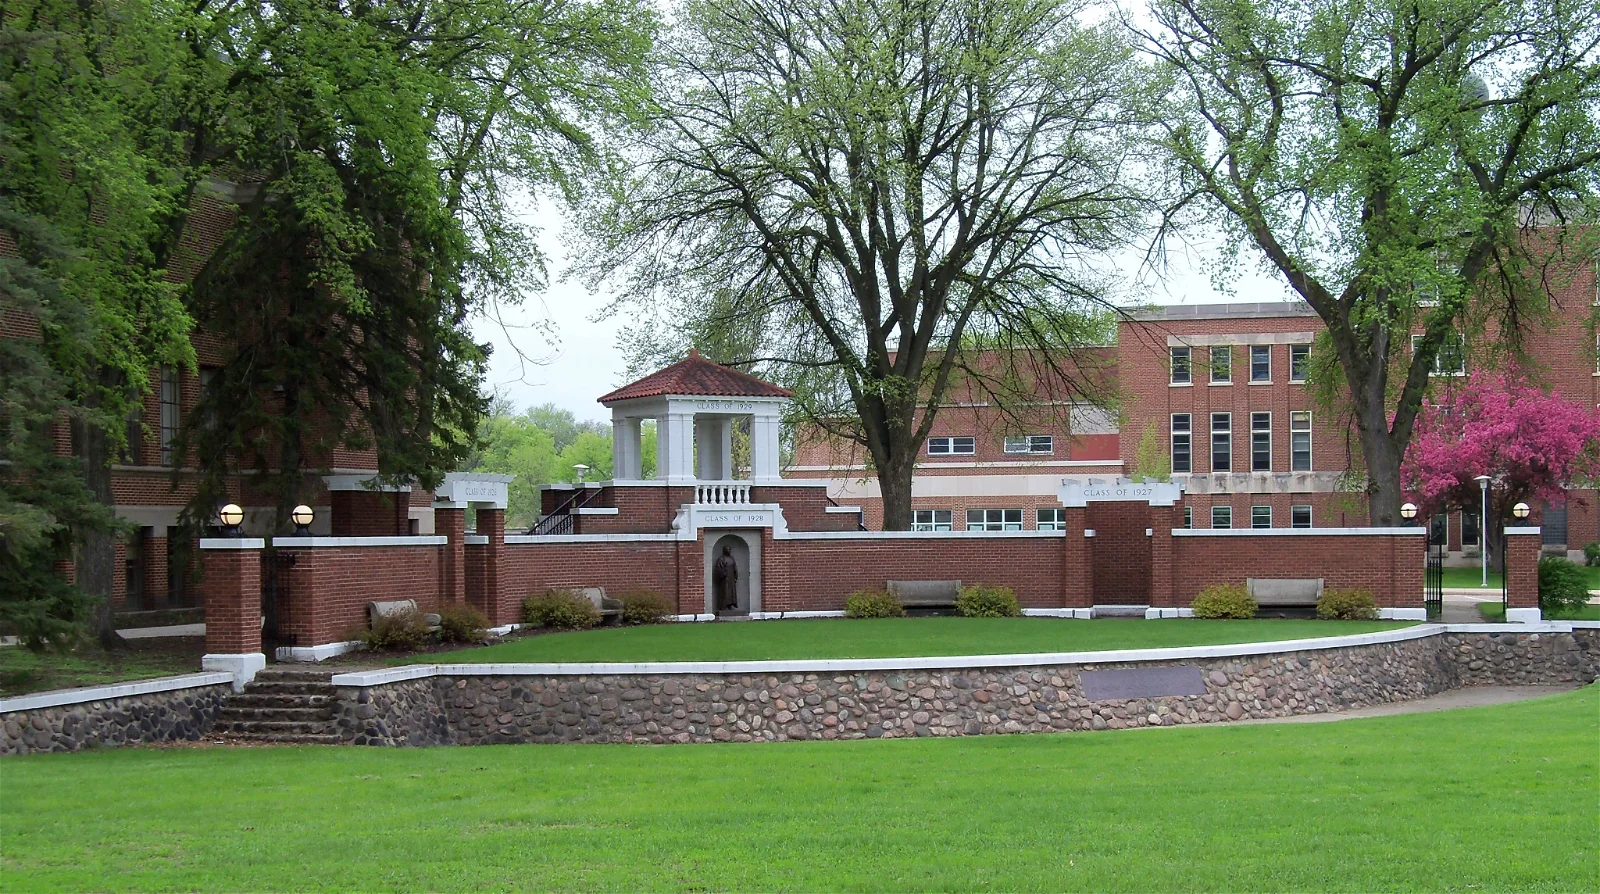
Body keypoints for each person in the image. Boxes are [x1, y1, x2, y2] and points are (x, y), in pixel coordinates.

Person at [713, 544, 739, 611]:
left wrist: (735, 576)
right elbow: (718, 569)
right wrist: (723, 573)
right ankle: (723, 606)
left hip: (731, 579)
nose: (728, 551)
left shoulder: (732, 558)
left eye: (729, 549)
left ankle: (731, 605)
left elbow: (735, 568)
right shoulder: (721, 559)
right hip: (724, 579)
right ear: (724, 550)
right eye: (727, 549)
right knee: (725, 593)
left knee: (732, 593)